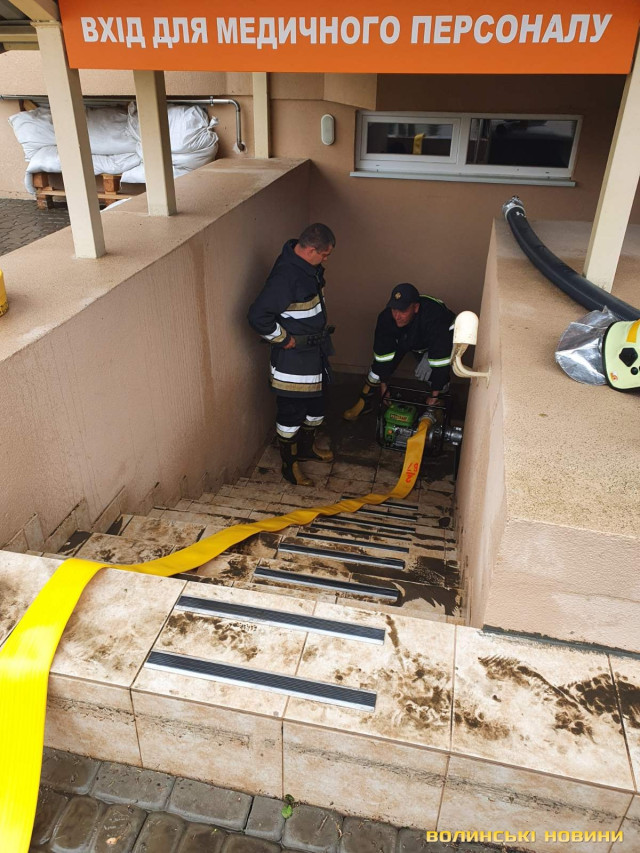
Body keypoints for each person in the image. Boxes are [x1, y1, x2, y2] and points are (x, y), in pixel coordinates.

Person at [248, 223, 336, 486]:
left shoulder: (307, 269)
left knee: (317, 408)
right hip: (293, 362)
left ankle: (307, 449)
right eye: (324, 254)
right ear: (310, 250)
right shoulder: (286, 277)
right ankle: (290, 465)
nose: (326, 259)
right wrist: (282, 338)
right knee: (291, 415)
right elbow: (257, 316)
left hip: (315, 354)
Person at [343, 283, 455, 420]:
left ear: (415, 307)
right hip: (407, 339)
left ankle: (438, 405)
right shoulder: (386, 318)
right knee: (378, 367)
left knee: (433, 372)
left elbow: (441, 358)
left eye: (403, 311)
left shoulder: (434, 317)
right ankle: (364, 402)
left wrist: (434, 395)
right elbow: (382, 356)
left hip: (438, 342)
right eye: (394, 309)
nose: (397, 316)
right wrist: (384, 385)